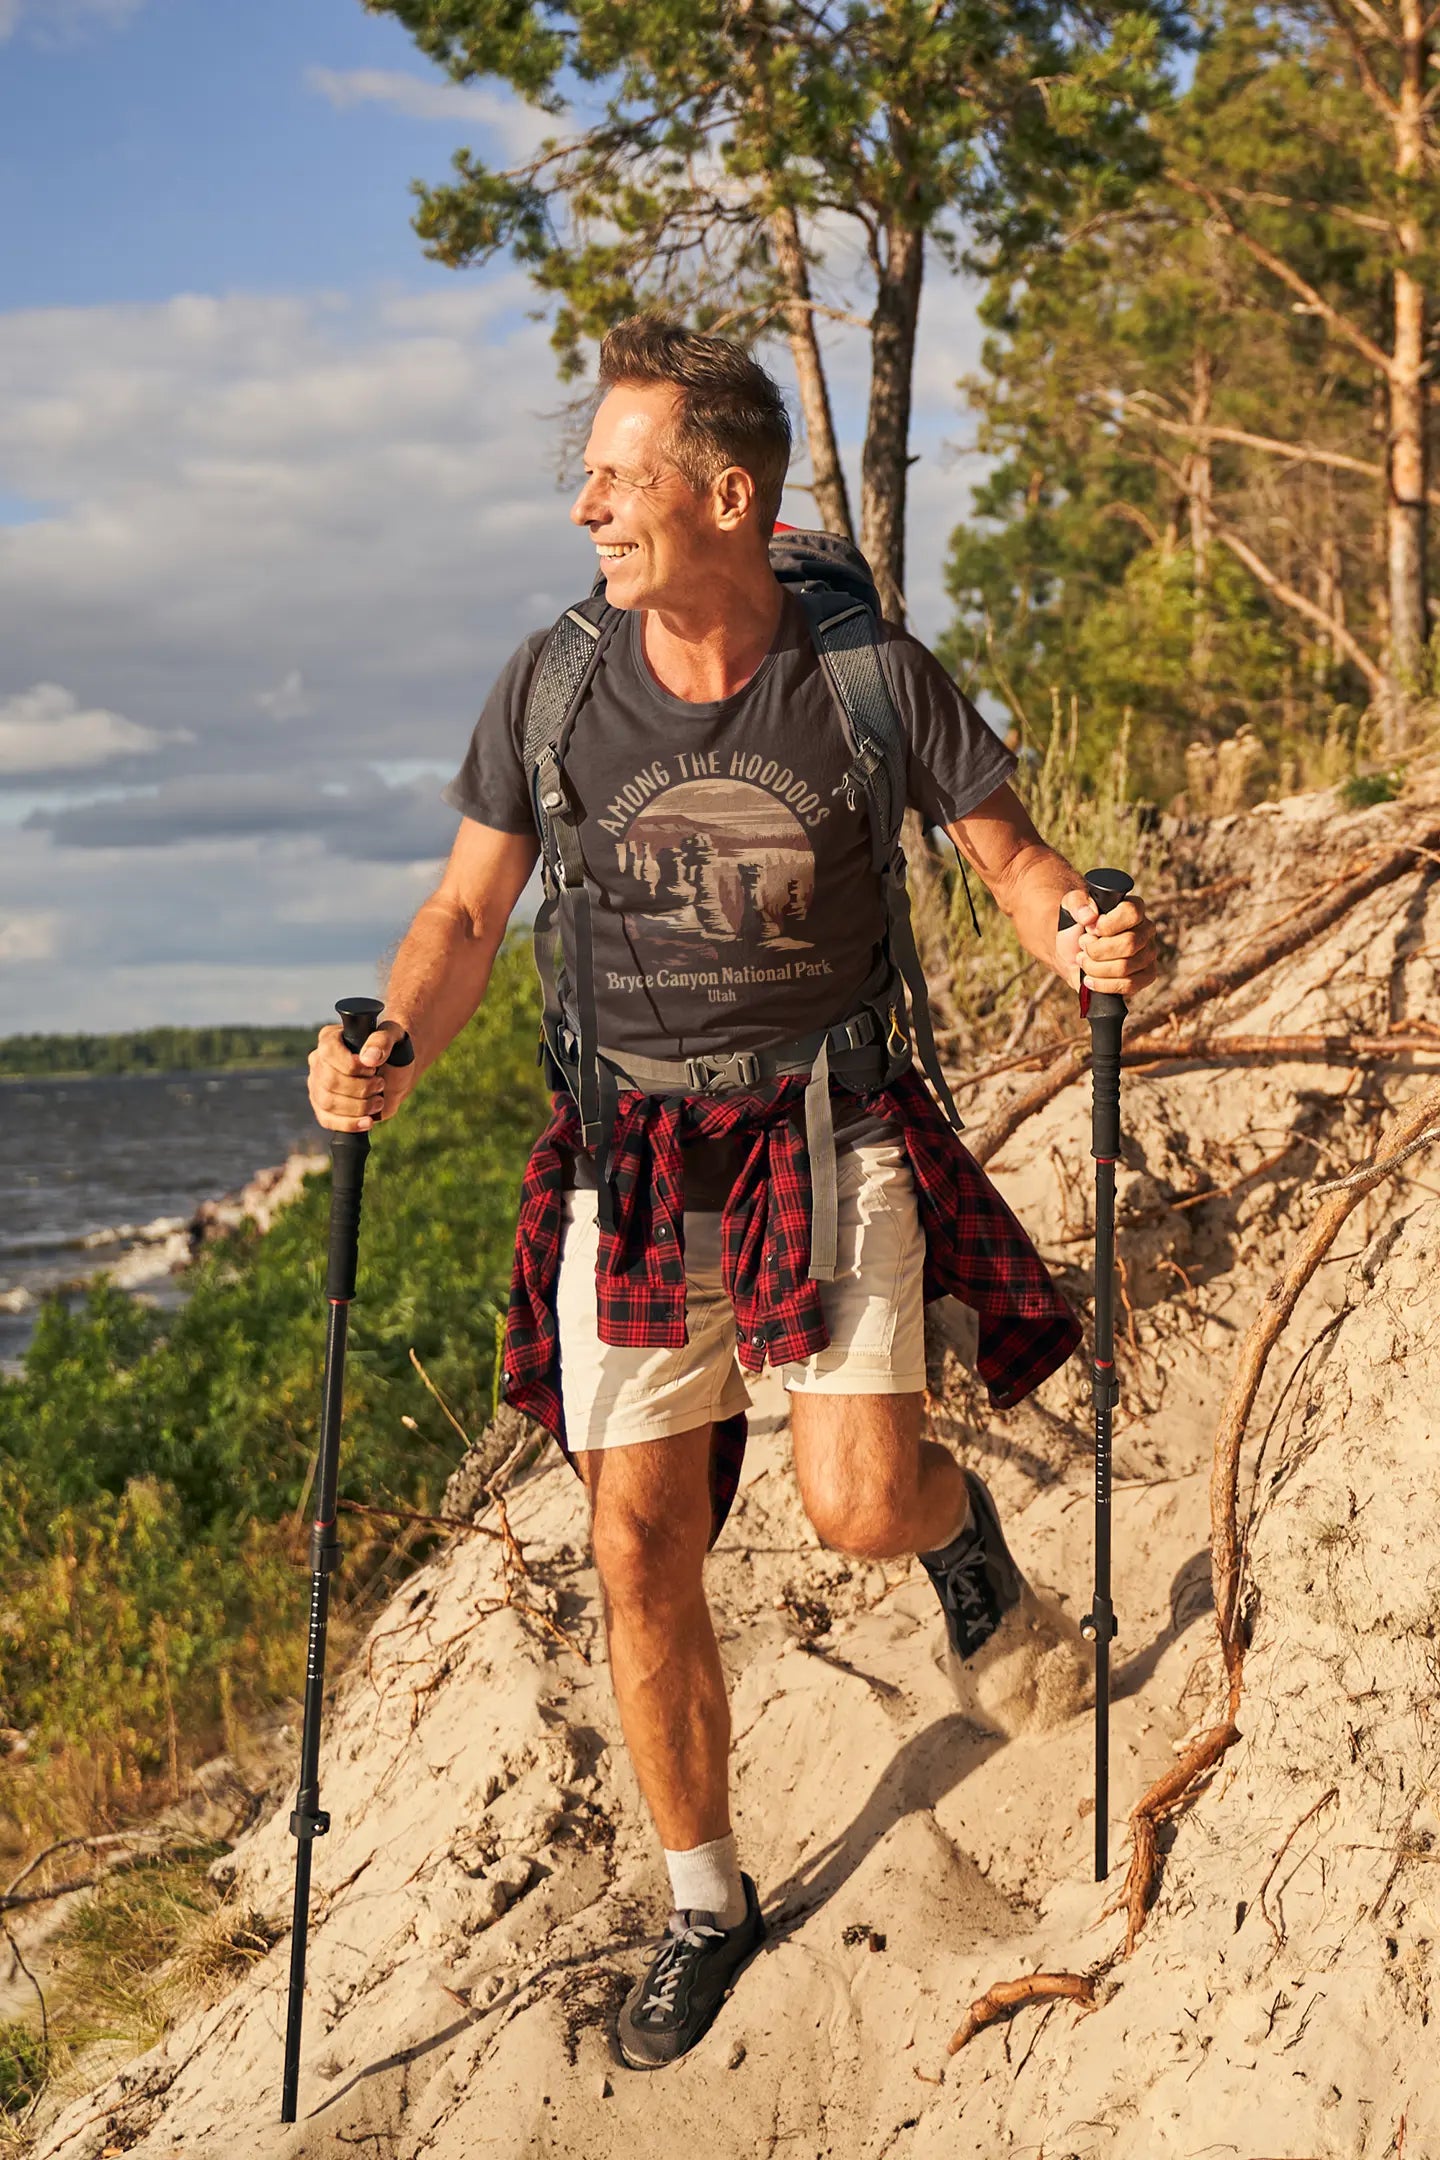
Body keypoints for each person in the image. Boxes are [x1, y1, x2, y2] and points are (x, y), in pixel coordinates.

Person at [307, 316, 1158, 2071]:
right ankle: (708, 1898)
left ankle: (965, 1546)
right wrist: (388, 1037)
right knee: (640, 1540)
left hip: (830, 1129)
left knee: (857, 1505)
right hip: (629, 1156)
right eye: (589, 479)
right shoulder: (552, 685)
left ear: (727, 494)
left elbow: (1010, 861)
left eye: (614, 478)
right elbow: (465, 921)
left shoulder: (862, 672)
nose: (585, 511)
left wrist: (1082, 935)